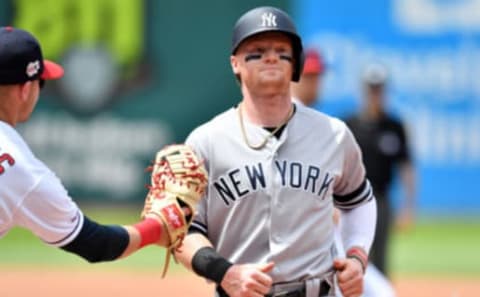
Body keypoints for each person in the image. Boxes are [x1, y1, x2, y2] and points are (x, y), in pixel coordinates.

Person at [174, 7, 377, 297]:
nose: (271, 56)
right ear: (235, 63)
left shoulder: (333, 135)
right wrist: (225, 272)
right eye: (256, 49)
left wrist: (357, 256)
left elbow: (359, 200)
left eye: (282, 50)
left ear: (296, 63)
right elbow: (184, 233)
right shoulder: (206, 141)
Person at [0, 27, 189, 263]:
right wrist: (158, 226)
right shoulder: (22, 171)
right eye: (42, 82)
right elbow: (97, 244)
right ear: (26, 89)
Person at [293, 50, 396, 297]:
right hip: (308, 235)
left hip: (328, 226)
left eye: (318, 76)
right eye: (310, 76)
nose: (316, 83)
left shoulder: (321, 125)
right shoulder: (289, 120)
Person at [345, 63, 416, 277]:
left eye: (379, 88)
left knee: (381, 256)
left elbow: (406, 167)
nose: (375, 93)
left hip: (382, 199)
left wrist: (408, 205)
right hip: (352, 200)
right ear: (364, 90)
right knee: (352, 254)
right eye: (371, 88)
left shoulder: (394, 126)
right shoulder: (349, 125)